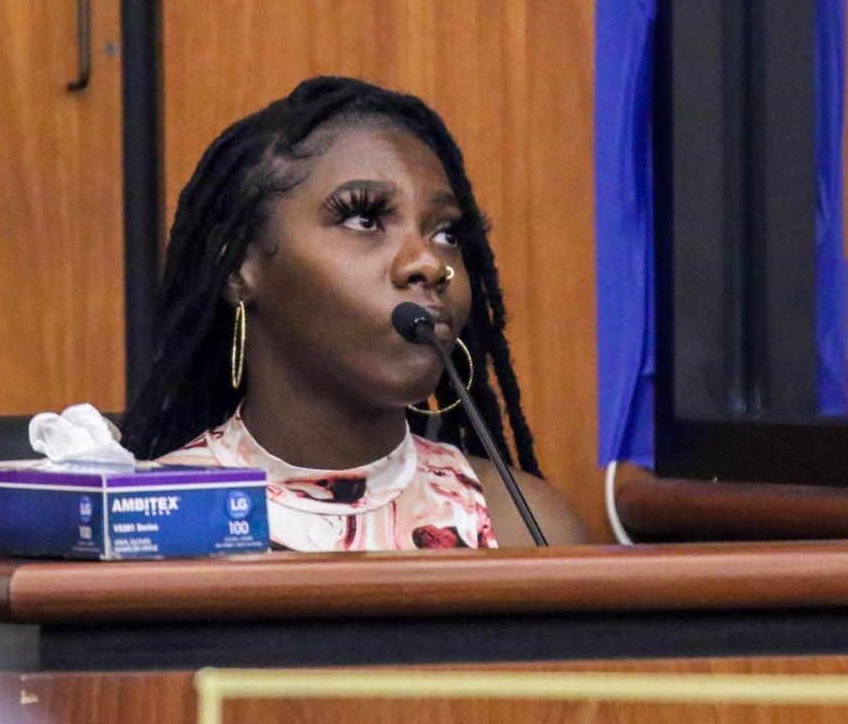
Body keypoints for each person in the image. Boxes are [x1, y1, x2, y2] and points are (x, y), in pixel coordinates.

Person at [121, 76, 591, 551]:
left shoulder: (525, 527)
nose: (428, 263)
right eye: (364, 218)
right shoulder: (149, 524)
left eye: (447, 233)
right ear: (239, 266)